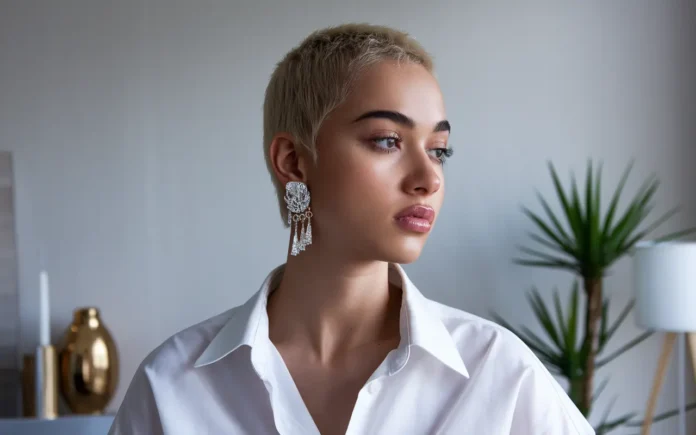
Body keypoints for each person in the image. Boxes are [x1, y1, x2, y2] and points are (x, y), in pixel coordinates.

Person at [109, 23, 594, 435]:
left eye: (439, 149)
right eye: (387, 141)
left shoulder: (499, 372)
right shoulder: (171, 386)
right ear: (294, 161)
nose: (429, 179)